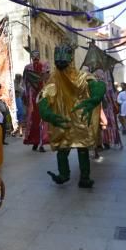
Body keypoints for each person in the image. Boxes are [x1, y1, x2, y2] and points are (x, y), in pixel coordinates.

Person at [39, 45, 106, 188]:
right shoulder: (53, 82)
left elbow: (98, 86)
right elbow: (43, 100)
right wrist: (48, 114)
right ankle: (65, 175)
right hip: (62, 120)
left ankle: (84, 178)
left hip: (80, 119)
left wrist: (95, 98)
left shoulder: (83, 77)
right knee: (63, 149)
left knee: (81, 149)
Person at [22, 51, 49, 151]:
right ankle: (37, 142)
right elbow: (25, 82)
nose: (36, 58)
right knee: (37, 119)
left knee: (38, 119)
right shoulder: (29, 67)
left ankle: (38, 142)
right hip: (35, 96)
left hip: (38, 96)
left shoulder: (41, 66)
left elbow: (25, 83)